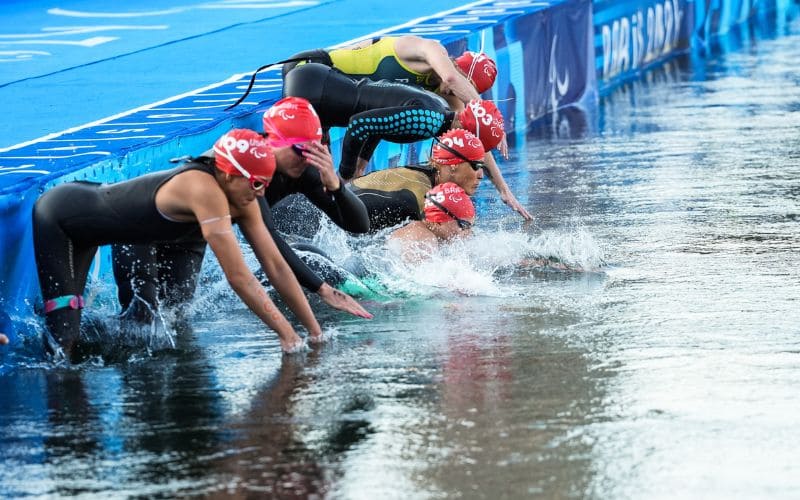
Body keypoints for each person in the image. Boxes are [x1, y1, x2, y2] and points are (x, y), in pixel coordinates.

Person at [33, 128, 325, 360]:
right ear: (227, 174)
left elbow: (275, 265)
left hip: (104, 223)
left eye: (265, 183)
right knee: (63, 344)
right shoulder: (203, 189)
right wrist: (287, 335)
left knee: (143, 329)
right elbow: (238, 276)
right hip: (63, 218)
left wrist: (314, 333)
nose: (260, 193)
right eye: (256, 184)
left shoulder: (245, 191)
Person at [113, 97, 373, 323]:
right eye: (300, 149)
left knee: (175, 320)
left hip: (188, 238)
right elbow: (271, 250)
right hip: (141, 228)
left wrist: (337, 186)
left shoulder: (303, 169)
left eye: (314, 149)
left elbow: (359, 227)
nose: (306, 158)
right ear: (273, 141)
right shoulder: (246, 165)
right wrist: (322, 290)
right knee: (141, 322)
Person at [281, 62, 532, 220]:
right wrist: (345, 176)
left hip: (316, 82)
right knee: (304, 176)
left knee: (307, 181)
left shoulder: (439, 108)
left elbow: (378, 121)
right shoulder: (428, 121)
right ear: (467, 135)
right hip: (313, 94)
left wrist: (362, 163)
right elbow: (359, 123)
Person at [281, 36, 498, 111]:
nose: (457, 92)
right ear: (457, 68)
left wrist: (503, 189)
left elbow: (474, 135)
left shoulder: (445, 91)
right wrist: (484, 111)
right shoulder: (430, 49)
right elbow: (452, 78)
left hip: (331, 93)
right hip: (308, 68)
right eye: (464, 87)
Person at [348, 128, 485, 231]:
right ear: (454, 165)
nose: (481, 175)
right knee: (423, 235)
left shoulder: (431, 174)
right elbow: (449, 236)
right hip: (337, 226)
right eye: (476, 166)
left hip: (346, 215)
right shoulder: (421, 191)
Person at [388, 182, 476, 261]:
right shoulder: (423, 240)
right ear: (438, 221)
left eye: (471, 226)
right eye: (463, 225)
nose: (468, 233)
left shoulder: (426, 232)